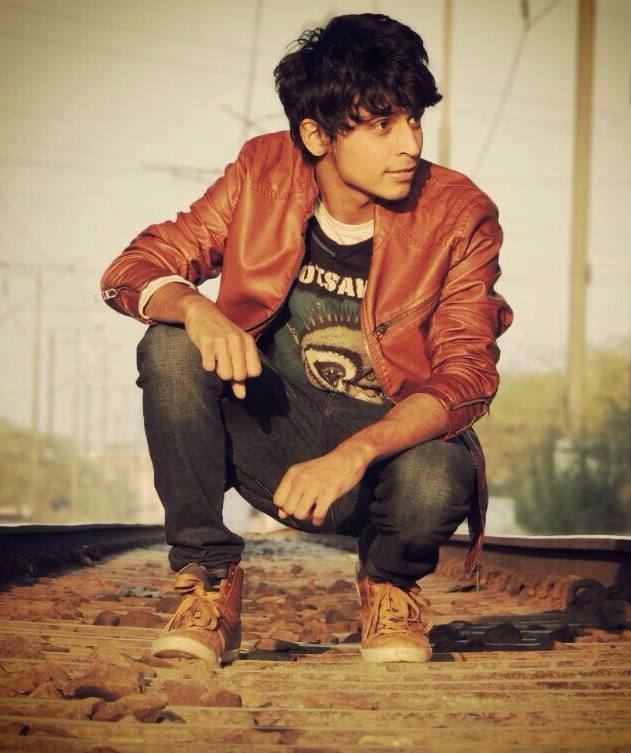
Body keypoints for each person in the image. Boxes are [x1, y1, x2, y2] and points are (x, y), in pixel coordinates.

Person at [100, 13, 513, 664]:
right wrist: (197, 309)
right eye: (381, 125)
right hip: (274, 436)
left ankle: (389, 584)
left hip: (383, 457)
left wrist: (354, 453)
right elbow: (134, 268)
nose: (409, 143)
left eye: (413, 120)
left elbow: (468, 376)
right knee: (170, 345)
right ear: (316, 134)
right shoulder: (261, 172)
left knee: (438, 472)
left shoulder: (459, 214)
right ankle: (208, 581)